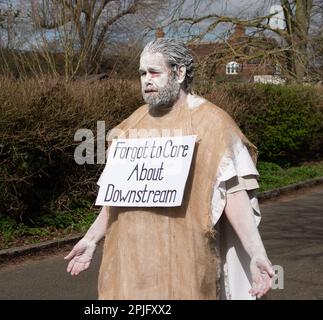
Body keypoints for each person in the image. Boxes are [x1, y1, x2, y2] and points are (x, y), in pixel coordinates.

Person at [65, 38, 274, 300]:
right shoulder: (131, 126)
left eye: (154, 72)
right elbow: (118, 196)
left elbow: (232, 192)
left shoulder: (213, 124)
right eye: (142, 73)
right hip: (128, 268)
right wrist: (90, 239)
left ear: (179, 73)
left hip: (185, 266)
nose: (146, 80)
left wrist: (256, 253)